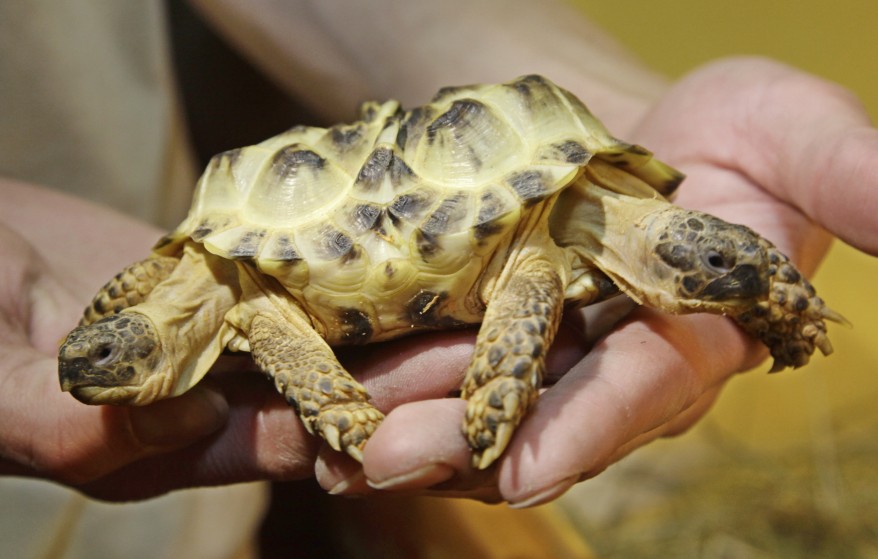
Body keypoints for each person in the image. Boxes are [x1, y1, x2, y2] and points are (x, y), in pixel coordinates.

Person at [2, 0, 877, 548]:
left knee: (700, 260)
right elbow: (217, 315)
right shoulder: (222, 285)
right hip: (245, 270)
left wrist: (772, 294)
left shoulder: (574, 211)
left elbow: (705, 252)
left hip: (202, 519)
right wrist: (336, 401)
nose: (109, 372)